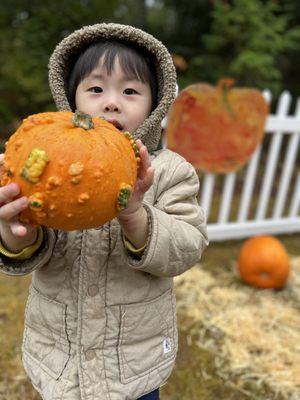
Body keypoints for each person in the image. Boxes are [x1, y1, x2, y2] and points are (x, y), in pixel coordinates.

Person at [0, 23, 208, 400]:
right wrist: (16, 231)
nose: (111, 102)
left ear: (155, 103)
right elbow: (35, 248)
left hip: (132, 362)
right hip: (61, 357)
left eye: (130, 91)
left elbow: (188, 244)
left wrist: (136, 217)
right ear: (72, 99)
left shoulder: (170, 171)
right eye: (96, 89)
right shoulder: (46, 167)